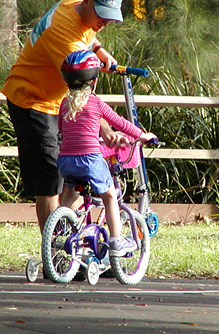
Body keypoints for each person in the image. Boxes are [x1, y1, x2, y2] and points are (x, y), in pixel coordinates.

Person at [1, 0, 127, 232]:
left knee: (76, 171)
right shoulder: (62, 33)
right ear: (87, 1)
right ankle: (57, 255)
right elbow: (81, 93)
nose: (105, 22)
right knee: (50, 179)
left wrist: (99, 51)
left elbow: (88, 35)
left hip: (60, 103)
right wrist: (104, 128)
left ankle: (72, 249)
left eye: (110, 17)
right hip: (32, 100)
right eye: (102, 15)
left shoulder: (76, 6)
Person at [58, 50, 157, 256]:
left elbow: (61, 128)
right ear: (93, 81)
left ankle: (59, 225)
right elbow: (119, 123)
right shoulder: (96, 103)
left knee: (70, 192)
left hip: (65, 160)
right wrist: (142, 135)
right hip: (90, 160)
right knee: (110, 196)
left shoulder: (64, 104)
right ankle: (116, 241)